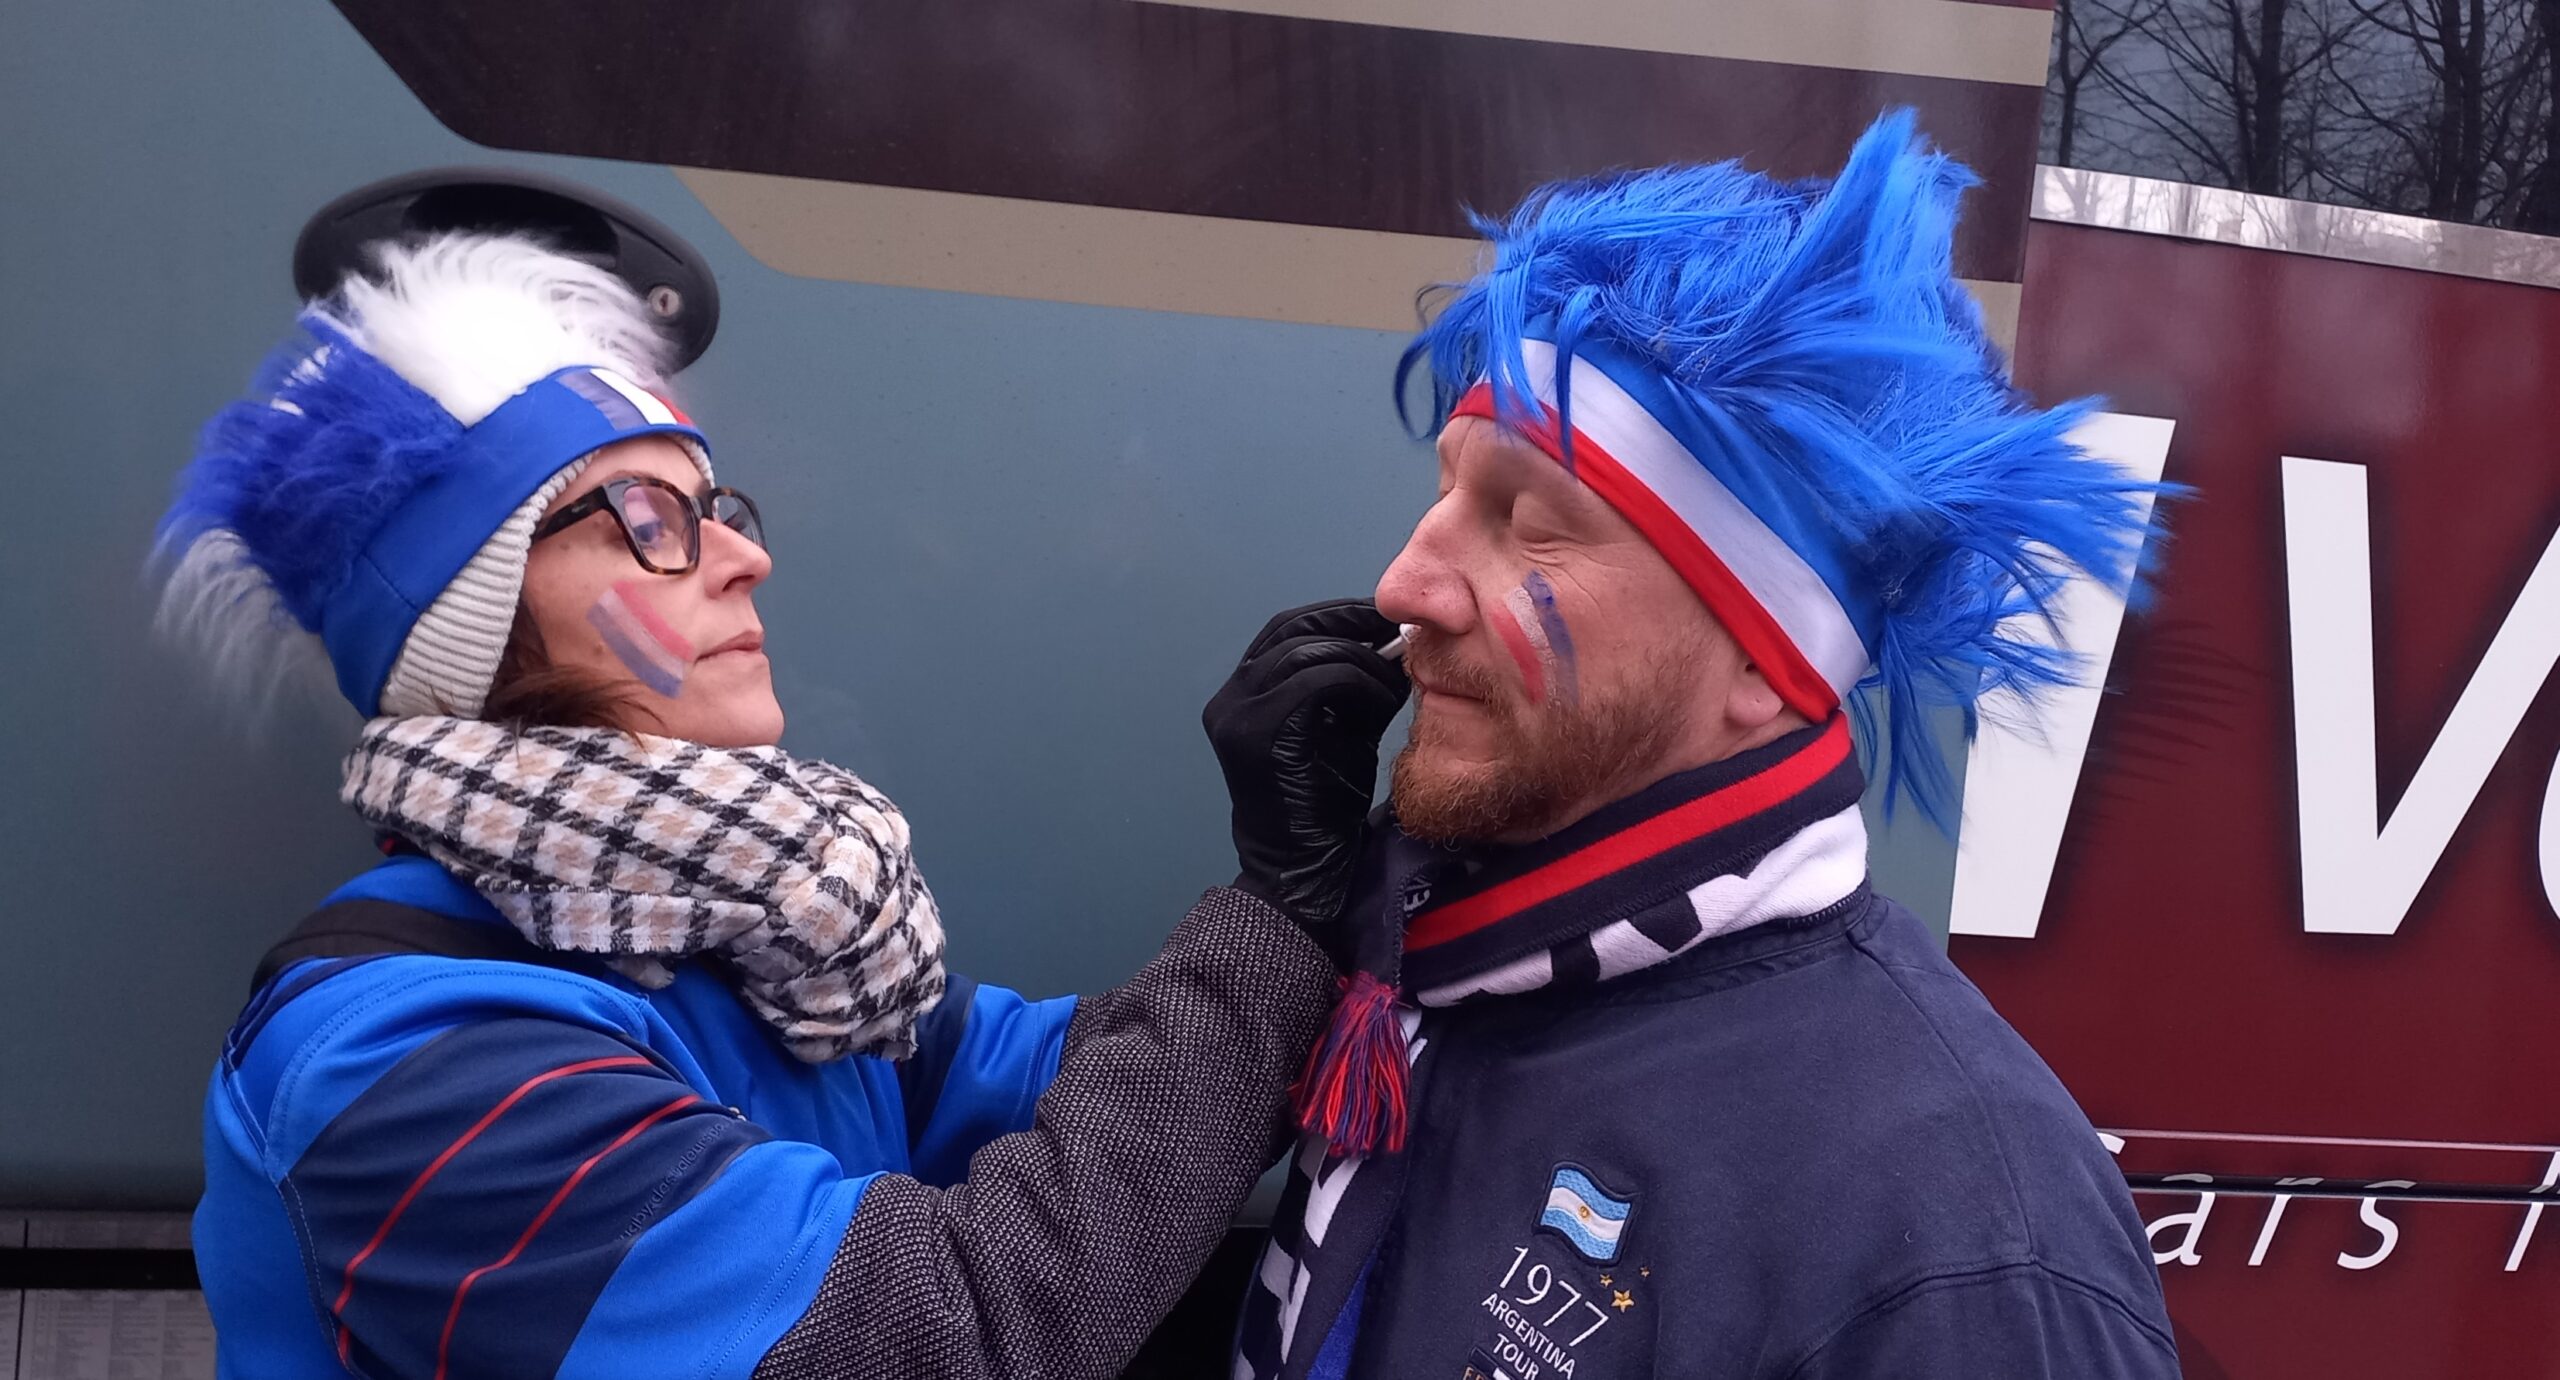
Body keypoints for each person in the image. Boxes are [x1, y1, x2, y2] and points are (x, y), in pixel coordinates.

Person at [165, 232, 1410, 1380]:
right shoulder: (411, 1055)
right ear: (475, 632)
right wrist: (1277, 914)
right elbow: (948, 1331)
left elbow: (1072, 1078)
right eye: (648, 521)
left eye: (717, 511)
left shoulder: (751, 944)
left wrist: (1347, 896)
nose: (744, 556)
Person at [1231, 112, 2185, 1379]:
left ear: (1763, 659)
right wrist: (1277, 920)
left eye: (1529, 522)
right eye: (1448, 488)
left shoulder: (1960, 1255)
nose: (1405, 581)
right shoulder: (1430, 970)